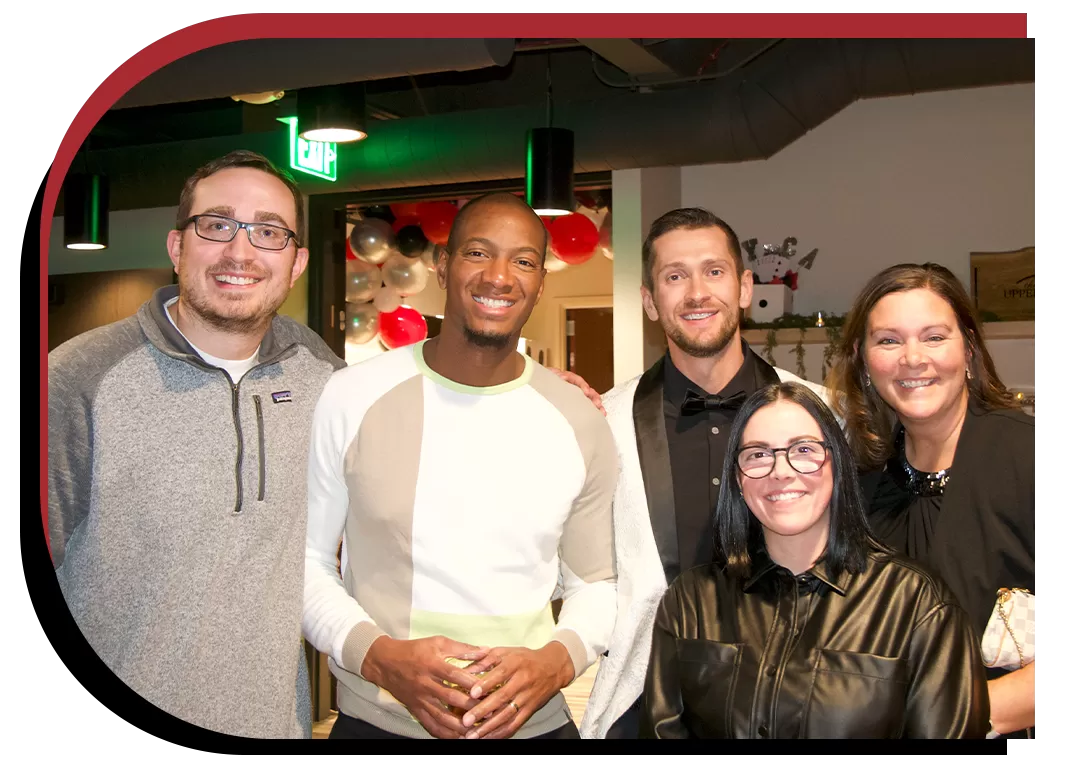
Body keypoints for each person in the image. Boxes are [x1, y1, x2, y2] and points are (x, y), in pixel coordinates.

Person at [47, 150, 345, 738]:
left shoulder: (320, 374)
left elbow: (412, 417)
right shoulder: (79, 375)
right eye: (216, 225)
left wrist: (540, 392)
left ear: (297, 262)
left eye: (268, 232)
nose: (240, 252)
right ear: (178, 246)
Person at [302, 192, 619, 740]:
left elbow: (597, 584)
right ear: (443, 267)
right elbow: (305, 562)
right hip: (378, 722)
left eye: (523, 261)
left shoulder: (578, 417)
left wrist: (556, 662)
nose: (499, 276)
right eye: (478, 253)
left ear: (541, 282)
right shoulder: (352, 396)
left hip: (531, 725)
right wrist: (379, 658)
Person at [580, 207, 833, 739]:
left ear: (744, 287)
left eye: (714, 271)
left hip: (796, 705)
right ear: (650, 301)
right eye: (675, 276)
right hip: (643, 706)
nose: (697, 292)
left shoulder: (825, 416)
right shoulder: (601, 422)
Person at [641, 382, 990, 738]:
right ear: (737, 477)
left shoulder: (918, 606)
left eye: (803, 449)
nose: (781, 471)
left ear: (836, 463)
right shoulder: (691, 602)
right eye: (758, 454)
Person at [827, 262, 1035, 739]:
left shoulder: (1025, 456)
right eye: (889, 340)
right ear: (862, 359)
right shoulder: (857, 481)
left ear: (969, 349)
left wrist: (953, 716)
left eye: (934, 337)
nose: (912, 358)